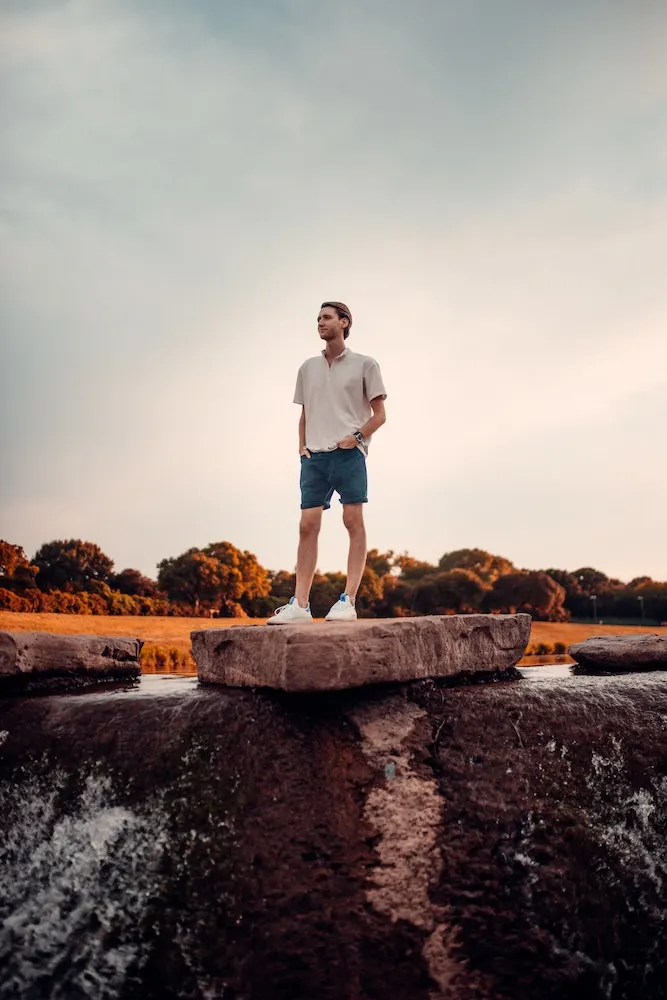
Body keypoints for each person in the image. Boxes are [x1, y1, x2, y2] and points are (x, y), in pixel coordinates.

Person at [267, 301, 387, 624]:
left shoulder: (365, 364)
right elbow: (305, 414)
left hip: (349, 454)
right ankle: (300, 605)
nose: (320, 323)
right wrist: (301, 446)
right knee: (307, 526)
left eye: (327, 317)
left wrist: (356, 439)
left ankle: (348, 600)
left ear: (344, 322)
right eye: (318, 318)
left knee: (352, 521)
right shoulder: (307, 368)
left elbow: (380, 416)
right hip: (314, 459)